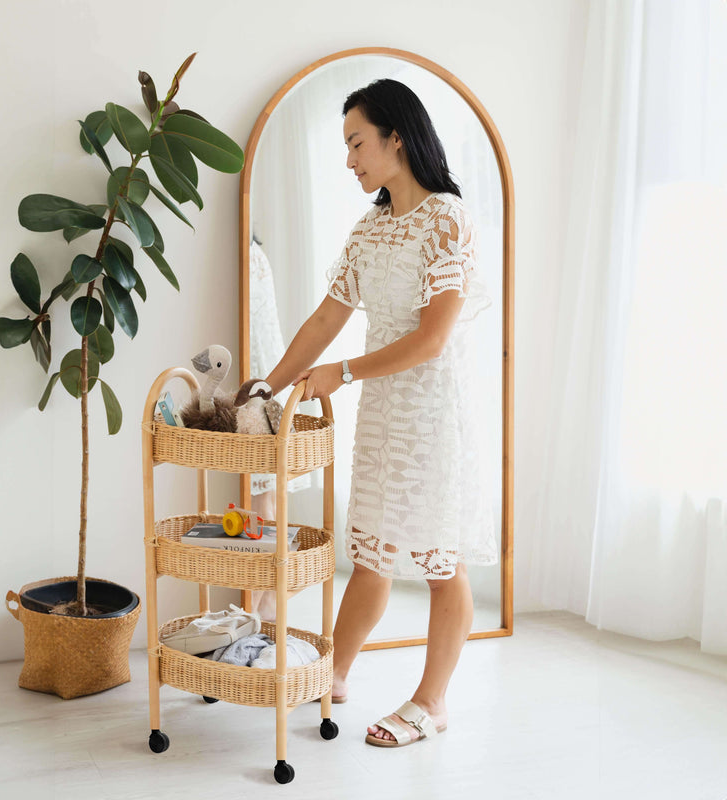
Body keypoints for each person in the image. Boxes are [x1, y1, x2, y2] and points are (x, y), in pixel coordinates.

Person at [264, 78, 497, 748]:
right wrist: (266, 387)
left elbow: (433, 338)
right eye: (344, 146)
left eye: (357, 142)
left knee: (440, 559)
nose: (349, 159)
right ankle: (333, 674)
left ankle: (431, 702)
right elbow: (326, 316)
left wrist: (344, 372)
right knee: (370, 553)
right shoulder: (370, 227)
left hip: (431, 418)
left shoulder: (447, 218)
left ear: (398, 136)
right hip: (382, 416)